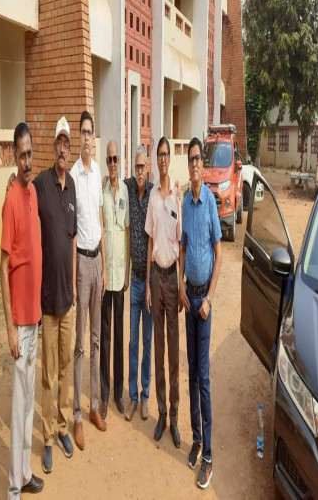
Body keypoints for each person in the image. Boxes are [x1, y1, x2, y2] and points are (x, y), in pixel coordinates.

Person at [0, 122, 44, 499]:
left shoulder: (32, 193)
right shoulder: (12, 199)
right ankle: (13, 488)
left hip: (36, 318)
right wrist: (10, 328)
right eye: (22, 155)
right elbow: (3, 268)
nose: (27, 161)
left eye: (30, 154)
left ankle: (25, 473)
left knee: (29, 403)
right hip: (21, 324)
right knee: (18, 409)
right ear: (14, 157)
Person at [179, 137, 222, 490]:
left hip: (203, 305)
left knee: (204, 378)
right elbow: (183, 247)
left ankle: (208, 455)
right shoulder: (185, 202)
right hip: (187, 301)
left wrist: (209, 298)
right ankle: (196, 439)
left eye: (197, 159)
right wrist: (180, 283)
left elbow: (219, 253)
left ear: (202, 165)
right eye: (191, 159)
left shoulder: (208, 202)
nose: (194, 164)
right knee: (191, 372)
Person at [35, 117, 77, 473]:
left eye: (67, 143)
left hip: (68, 299)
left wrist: (75, 284)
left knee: (65, 367)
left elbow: (73, 239)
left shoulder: (72, 185)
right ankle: (47, 437)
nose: (63, 149)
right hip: (48, 301)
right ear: (53, 148)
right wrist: (12, 181)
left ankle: (63, 427)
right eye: (58, 143)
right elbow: (22, 195)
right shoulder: (41, 184)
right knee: (48, 373)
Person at [70, 110, 107, 450]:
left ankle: (94, 406)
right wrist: (73, 275)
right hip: (81, 263)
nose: (85, 138)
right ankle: (77, 415)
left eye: (89, 132)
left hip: (97, 262)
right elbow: (72, 233)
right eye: (81, 132)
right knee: (81, 343)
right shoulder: (72, 176)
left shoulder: (96, 173)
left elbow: (99, 218)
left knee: (96, 339)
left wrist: (105, 267)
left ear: (93, 137)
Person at [145, 136, 181, 448]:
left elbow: (181, 243)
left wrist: (181, 284)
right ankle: (160, 414)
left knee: (173, 353)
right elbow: (149, 240)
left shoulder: (177, 196)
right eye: (160, 154)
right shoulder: (154, 198)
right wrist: (147, 283)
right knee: (158, 350)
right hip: (156, 278)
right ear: (156, 160)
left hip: (172, 280)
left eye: (166, 154)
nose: (163, 158)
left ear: (170, 158)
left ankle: (175, 417)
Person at [100, 140, 130, 419]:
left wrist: (129, 270)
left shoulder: (125, 192)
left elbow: (128, 232)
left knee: (119, 335)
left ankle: (119, 393)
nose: (112, 163)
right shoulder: (100, 192)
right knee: (105, 335)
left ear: (120, 161)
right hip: (104, 275)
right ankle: (104, 393)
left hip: (120, 274)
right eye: (109, 159)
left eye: (115, 158)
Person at [124, 145, 154, 421]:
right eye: (136, 167)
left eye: (143, 166)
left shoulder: (155, 193)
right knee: (133, 342)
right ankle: (133, 396)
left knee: (147, 341)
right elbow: (111, 183)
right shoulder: (130, 188)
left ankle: (145, 397)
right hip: (134, 281)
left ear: (148, 168)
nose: (140, 171)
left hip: (150, 284)